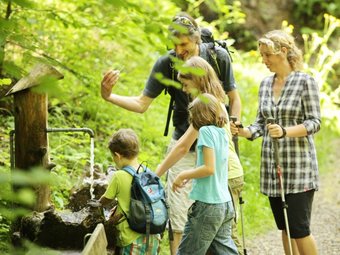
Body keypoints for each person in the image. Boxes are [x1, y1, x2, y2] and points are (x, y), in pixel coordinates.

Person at [101, 12, 242, 254]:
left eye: (184, 44)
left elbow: (233, 100)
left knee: (209, 230)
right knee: (186, 222)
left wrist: (160, 174)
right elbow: (142, 104)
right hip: (190, 151)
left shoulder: (211, 85)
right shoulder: (171, 67)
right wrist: (109, 96)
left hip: (209, 156)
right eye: (174, 45)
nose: (178, 50)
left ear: (196, 39)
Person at [231, 30, 320, 255]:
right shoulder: (264, 85)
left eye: (267, 55)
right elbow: (260, 124)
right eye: (262, 56)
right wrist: (242, 131)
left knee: (299, 229)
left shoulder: (304, 82)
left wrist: (285, 132)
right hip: (273, 168)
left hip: (299, 168)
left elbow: (314, 122)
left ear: (283, 51)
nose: (264, 61)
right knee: (285, 227)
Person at [155, 56, 245, 254]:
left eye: (186, 85)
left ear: (198, 80)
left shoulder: (204, 111)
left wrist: (159, 172)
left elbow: (182, 146)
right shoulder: (215, 105)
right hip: (226, 178)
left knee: (220, 240)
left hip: (223, 179)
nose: (185, 90)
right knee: (221, 244)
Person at [171, 93, 238, 255]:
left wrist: (183, 174)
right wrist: (192, 176)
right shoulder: (221, 131)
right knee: (225, 251)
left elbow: (209, 168)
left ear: (198, 114)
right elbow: (213, 168)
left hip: (208, 205)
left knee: (187, 252)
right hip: (225, 204)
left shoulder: (206, 132)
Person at [99, 128, 160, 255]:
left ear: (118, 155)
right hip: (152, 235)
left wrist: (96, 203)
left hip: (130, 237)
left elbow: (106, 200)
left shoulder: (119, 176)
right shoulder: (147, 171)